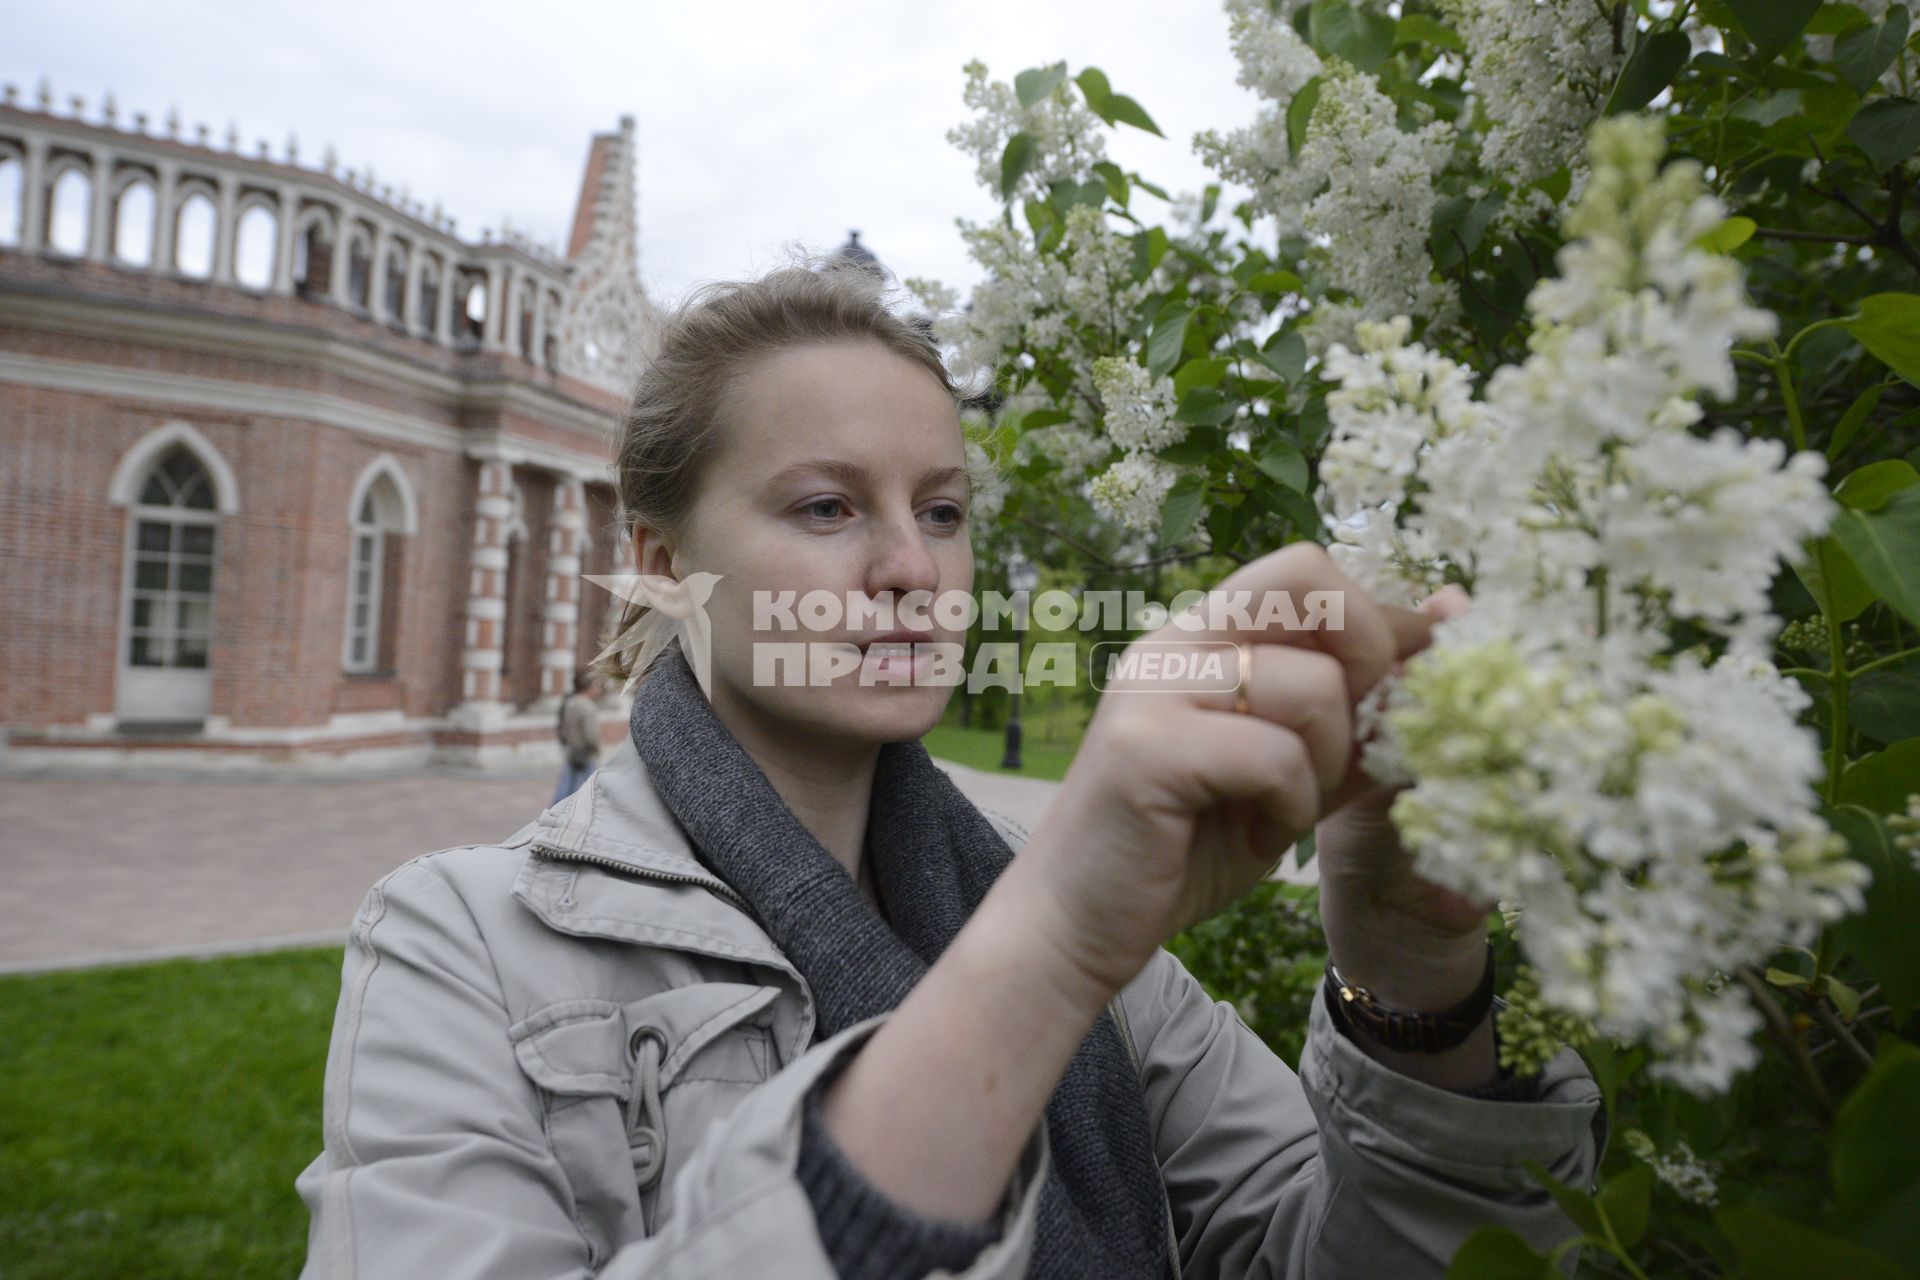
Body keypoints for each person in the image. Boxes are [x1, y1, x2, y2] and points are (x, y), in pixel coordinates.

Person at [293, 258, 1604, 1279]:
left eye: (942, 511)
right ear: (657, 566)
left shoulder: (1105, 954)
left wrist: (1410, 973)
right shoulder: (458, 946)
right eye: (826, 507)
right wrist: (1034, 958)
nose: (913, 570)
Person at [553, 670, 604, 803]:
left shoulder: (571, 703)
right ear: (588, 687)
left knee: (567, 785)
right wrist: (596, 748)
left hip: (572, 750)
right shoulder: (587, 707)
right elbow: (591, 734)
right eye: (596, 686)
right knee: (594, 786)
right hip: (584, 752)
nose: (598, 690)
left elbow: (563, 727)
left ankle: (557, 808)